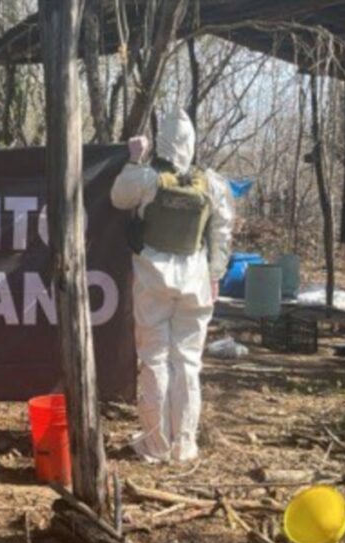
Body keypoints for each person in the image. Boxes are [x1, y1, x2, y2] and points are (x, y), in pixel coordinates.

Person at [110, 109, 234, 463]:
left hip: (154, 281)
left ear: (162, 141)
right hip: (196, 281)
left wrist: (134, 159)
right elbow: (222, 231)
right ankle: (184, 444)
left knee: (155, 360)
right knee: (188, 362)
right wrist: (215, 274)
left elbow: (119, 196)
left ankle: (155, 444)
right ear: (191, 142)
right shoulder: (212, 183)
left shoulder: (146, 178)